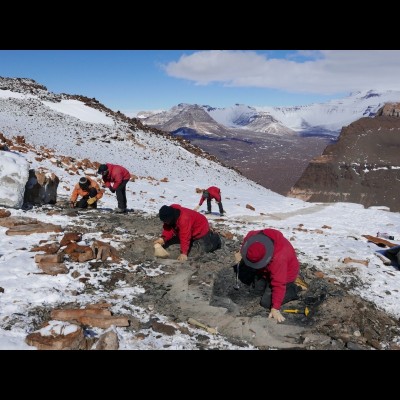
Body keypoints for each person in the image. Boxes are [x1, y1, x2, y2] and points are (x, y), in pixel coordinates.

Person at [235, 228, 300, 323]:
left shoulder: (279, 257)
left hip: (286, 274)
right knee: (256, 290)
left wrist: (275, 308)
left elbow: (278, 284)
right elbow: (245, 245)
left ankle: (292, 289)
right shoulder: (252, 236)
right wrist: (241, 254)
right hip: (265, 271)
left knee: (266, 302)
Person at [154, 204, 222, 262]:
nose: (164, 223)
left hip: (201, 228)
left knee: (204, 249)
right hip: (189, 227)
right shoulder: (171, 213)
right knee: (172, 241)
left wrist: (184, 253)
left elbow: (185, 236)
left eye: (165, 221)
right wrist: (163, 238)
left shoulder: (184, 219)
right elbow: (168, 227)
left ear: (170, 218)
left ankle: (215, 238)